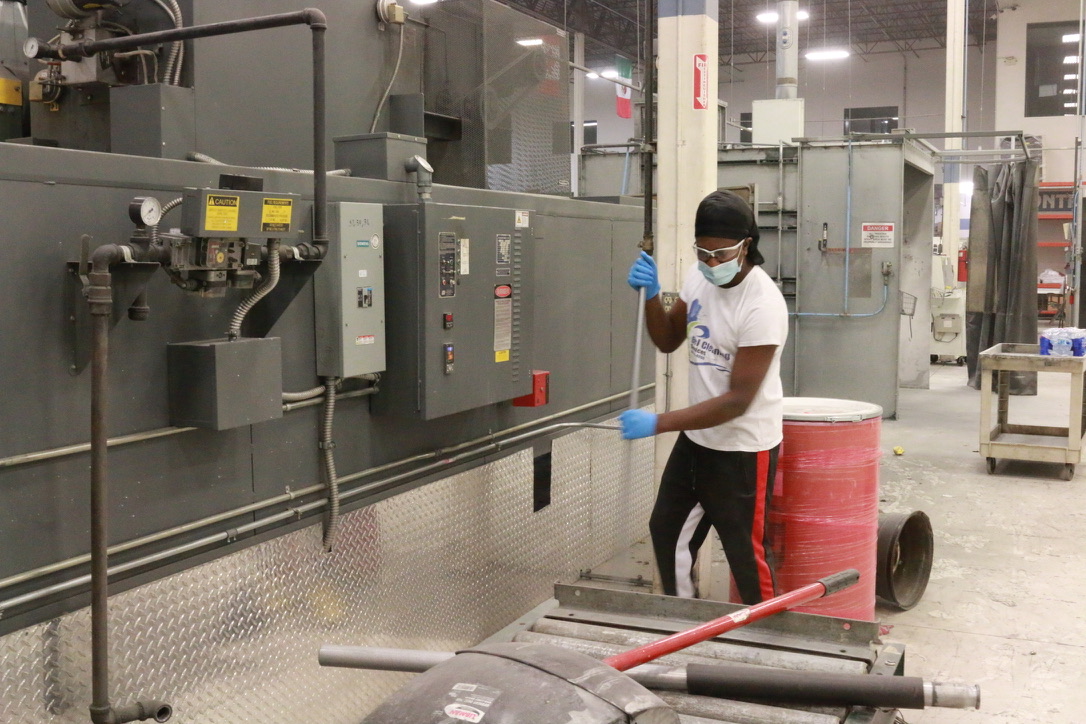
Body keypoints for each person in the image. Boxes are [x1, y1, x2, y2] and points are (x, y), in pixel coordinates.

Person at [620, 189, 789, 604]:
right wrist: (652, 295)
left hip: (744, 448)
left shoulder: (763, 305)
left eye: (722, 254)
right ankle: (684, 620)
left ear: (746, 245)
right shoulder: (699, 278)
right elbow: (666, 339)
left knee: (745, 555)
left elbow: (737, 400)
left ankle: (765, 640)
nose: (712, 263)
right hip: (698, 442)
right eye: (703, 252)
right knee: (667, 531)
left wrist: (658, 422)